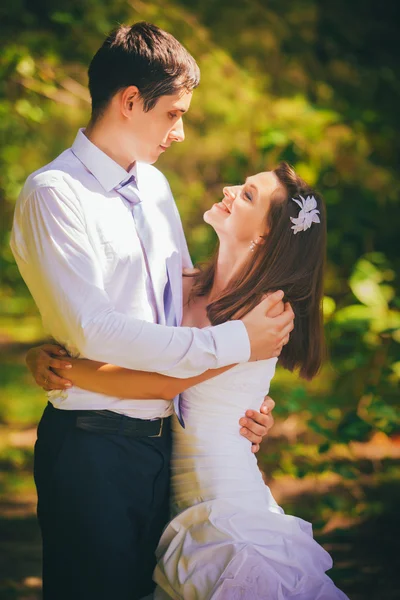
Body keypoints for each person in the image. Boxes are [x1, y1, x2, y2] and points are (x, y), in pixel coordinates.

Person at [11, 22, 294, 600]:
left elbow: (188, 309)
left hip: (166, 447)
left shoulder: (157, 189)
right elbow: (94, 329)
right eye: (173, 113)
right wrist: (238, 345)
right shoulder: (55, 194)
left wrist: (245, 400)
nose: (181, 132)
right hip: (94, 446)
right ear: (130, 100)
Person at [29, 163, 349, 599]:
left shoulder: (265, 315)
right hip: (167, 494)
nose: (230, 189)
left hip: (225, 508)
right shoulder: (188, 285)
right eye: (242, 183)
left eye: (249, 195)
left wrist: (62, 368)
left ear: (264, 237)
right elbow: (118, 336)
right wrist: (43, 351)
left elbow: (163, 383)